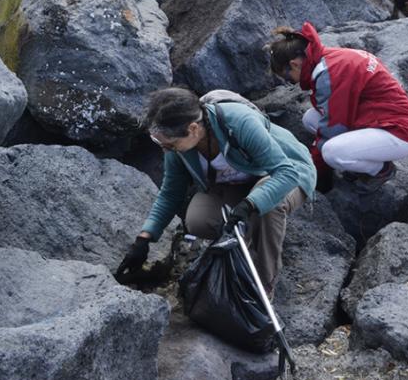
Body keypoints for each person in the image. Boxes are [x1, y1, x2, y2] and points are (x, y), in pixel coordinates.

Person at [114, 88, 315, 294]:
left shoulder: (239, 122)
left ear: (193, 128)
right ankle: (243, 247)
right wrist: (144, 239)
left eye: (170, 144)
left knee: (268, 206)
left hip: (288, 171)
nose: (165, 149)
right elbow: (171, 193)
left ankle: (262, 285)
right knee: (198, 220)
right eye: (159, 143)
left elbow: (285, 173)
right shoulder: (177, 148)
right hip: (237, 184)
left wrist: (250, 204)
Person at [267, 22, 408, 187]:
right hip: (385, 117)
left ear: (294, 64)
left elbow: (332, 129)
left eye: (289, 79)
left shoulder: (330, 75)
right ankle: (362, 155)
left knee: (331, 153)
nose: (293, 82)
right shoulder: (330, 57)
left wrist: (310, 173)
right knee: (310, 119)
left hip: (401, 132)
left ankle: (381, 170)